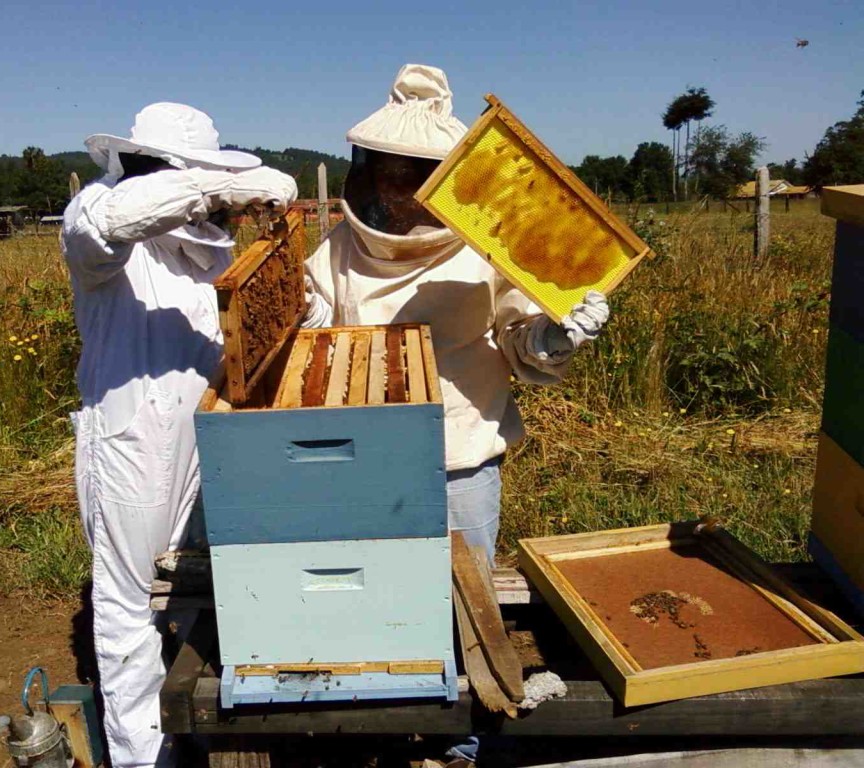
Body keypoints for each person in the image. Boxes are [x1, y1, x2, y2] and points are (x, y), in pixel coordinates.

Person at [61, 102, 297, 768]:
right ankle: (147, 758)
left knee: (200, 592)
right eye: (198, 185)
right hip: (130, 444)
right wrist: (223, 185)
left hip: (209, 441)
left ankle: (206, 727)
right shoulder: (95, 225)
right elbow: (118, 219)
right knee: (128, 610)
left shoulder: (203, 252)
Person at [303, 64, 609, 564]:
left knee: (467, 606)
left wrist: (554, 335)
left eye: (417, 176)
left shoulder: (489, 248)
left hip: (459, 455)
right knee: (382, 596)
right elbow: (318, 327)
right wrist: (303, 309)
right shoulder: (342, 245)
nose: (403, 189)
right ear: (370, 171)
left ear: (448, 179)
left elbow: (519, 332)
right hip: (364, 453)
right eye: (391, 173)